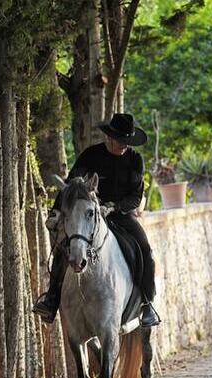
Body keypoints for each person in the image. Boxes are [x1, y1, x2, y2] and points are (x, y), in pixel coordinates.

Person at [33, 113, 162, 328]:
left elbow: (135, 197)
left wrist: (113, 207)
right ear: (109, 138)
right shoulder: (91, 156)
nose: (124, 146)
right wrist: (56, 212)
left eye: (127, 142)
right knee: (64, 249)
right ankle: (51, 299)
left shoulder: (135, 160)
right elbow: (71, 187)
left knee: (145, 250)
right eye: (121, 141)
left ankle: (147, 305)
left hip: (120, 215)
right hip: (87, 216)